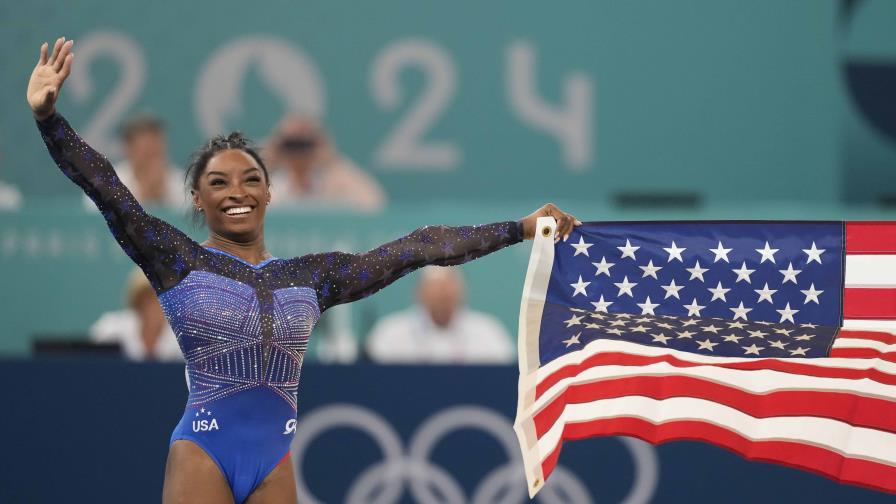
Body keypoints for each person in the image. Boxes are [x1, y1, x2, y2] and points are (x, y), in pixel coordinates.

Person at [27, 36, 580, 504]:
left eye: (249, 179)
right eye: (218, 183)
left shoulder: (311, 277)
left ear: (269, 191)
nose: (236, 192)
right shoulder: (175, 258)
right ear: (197, 198)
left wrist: (521, 227)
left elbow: (420, 247)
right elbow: (106, 189)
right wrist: (50, 119)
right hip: (203, 448)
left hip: (276, 457)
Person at [367, 266, 515, 363]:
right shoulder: (390, 333)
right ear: (419, 293)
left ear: (462, 292)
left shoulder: (488, 331)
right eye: (436, 289)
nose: (443, 295)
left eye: (449, 289)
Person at [265, 114, 386, 212]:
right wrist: (268, 159)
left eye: (305, 144)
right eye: (291, 144)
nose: (298, 153)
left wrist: (332, 160)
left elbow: (374, 203)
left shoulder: (334, 188)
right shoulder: (271, 191)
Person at [82, 112, 185, 209]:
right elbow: (93, 222)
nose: (152, 161)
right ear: (128, 149)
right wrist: (144, 196)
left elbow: (192, 221)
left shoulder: (183, 183)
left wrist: (162, 196)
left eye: (157, 151)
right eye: (146, 151)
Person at [89, 267, 183, 362]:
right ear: (137, 301)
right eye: (148, 299)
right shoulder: (112, 328)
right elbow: (89, 356)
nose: (154, 305)